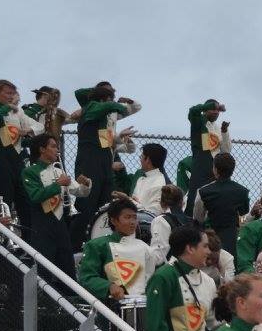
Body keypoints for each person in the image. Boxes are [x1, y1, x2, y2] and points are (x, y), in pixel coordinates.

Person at [69, 83, 142, 247]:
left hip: (104, 165)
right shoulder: (92, 107)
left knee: (105, 207)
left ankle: (101, 244)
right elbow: (80, 92)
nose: (112, 101)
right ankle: (74, 246)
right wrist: (107, 98)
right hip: (89, 164)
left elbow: (105, 142)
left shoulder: (103, 118)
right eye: (110, 97)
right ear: (103, 99)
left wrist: (120, 137)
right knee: (86, 206)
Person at [145, 224, 217, 331]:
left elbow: (213, 323)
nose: (209, 251)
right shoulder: (163, 277)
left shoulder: (209, 281)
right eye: (205, 246)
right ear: (190, 248)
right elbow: (156, 328)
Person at [22, 133, 90, 277]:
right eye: (53, 146)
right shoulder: (30, 171)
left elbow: (79, 191)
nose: (57, 150)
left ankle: (69, 290)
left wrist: (85, 184)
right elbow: (35, 196)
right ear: (42, 149)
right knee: (44, 267)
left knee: (67, 264)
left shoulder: (59, 171)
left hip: (61, 223)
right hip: (42, 225)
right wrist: (58, 184)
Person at [0, 79, 43, 230]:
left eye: (13, 93)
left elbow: (39, 126)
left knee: (24, 198)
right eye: (8, 93)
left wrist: (27, 131)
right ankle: (1, 236)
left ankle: (28, 237)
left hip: (18, 158)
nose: (11, 96)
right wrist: (7, 107)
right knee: (3, 198)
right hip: (0, 158)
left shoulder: (18, 111)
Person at [78, 198, 161, 301]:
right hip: (109, 305)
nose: (133, 222)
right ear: (113, 221)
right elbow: (86, 278)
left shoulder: (144, 246)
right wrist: (109, 286)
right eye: (127, 217)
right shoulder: (97, 245)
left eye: (134, 218)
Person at [192, 152, 250, 257]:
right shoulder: (242, 191)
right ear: (232, 169)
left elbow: (198, 217)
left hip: (211, 236)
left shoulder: (203, 191)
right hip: (232, 237)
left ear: (215, 169)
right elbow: (244, 211)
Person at [185, 98, 231, 214]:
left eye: (218, 110)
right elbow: (193, 111)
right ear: (205, 110)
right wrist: (211, 106)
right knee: (196, 200)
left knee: (215, 203)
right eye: (213, 109)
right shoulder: (199, 122)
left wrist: (224, 131)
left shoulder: (217, 128)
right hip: (201, 167)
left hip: (216, 170)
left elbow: (226, 151)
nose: (216, 112)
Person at [22, 85, 78, 149]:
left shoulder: (55, 112)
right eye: (52, 96)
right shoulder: (28, 111)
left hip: (52, 148)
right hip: (34, 148)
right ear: (44, 95)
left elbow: (72, 119)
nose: (54, 100)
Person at [149, 185, 192, 264]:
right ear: (182, 202)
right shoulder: (191, 221)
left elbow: (159, 256)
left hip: (172, 268)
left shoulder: (161, 220)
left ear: (161, 203)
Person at [125, 142, 169, 213]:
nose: (140, 160)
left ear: (147, 160)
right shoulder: (141, 179)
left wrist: (127, 199)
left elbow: (153, 213)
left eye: (141, 157)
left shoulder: (160, 183)